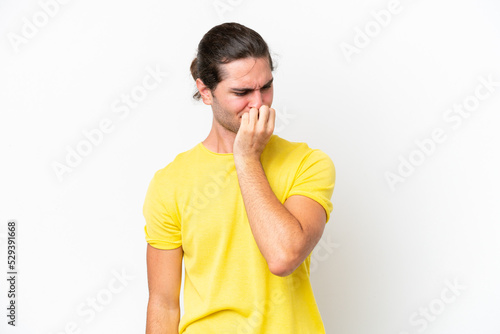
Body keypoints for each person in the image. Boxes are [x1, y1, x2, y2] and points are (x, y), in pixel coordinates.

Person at [143, 22, 336, 334]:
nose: (258, 104)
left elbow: (283, 256)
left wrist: (245, 157)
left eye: (266, 87)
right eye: (242, 92)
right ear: (206, 91)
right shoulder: (170, 182)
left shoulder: (308, 163)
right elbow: (163, 303)